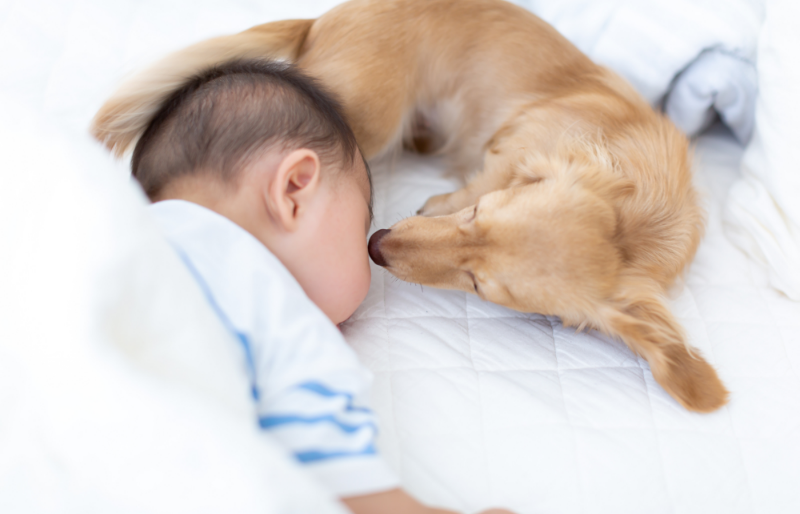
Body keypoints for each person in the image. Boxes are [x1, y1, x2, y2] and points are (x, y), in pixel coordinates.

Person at [140, 59, 511, 514]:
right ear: (294, 190)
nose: (374, 252)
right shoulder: (276, 304)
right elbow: (333, 469)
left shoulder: (117, 229)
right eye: (360, 230)